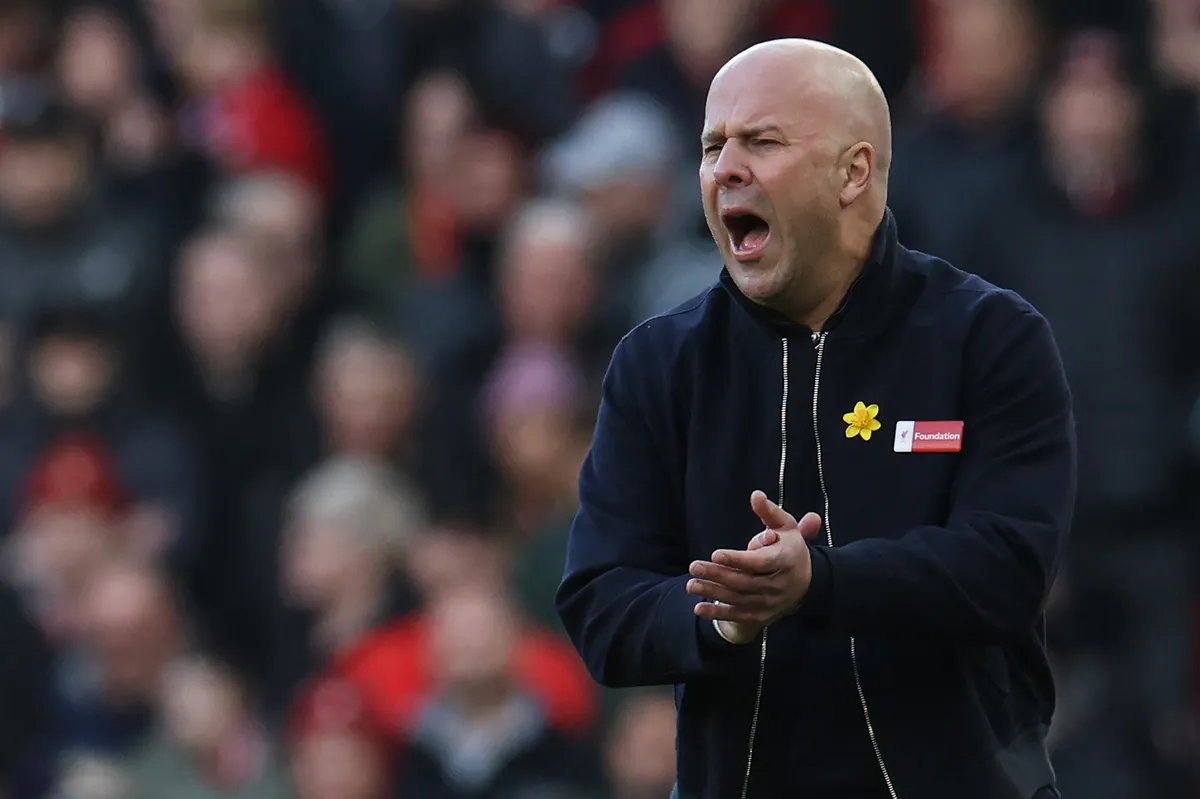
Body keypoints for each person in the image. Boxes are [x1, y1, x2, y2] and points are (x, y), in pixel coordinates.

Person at [556, 38, 1076, 799]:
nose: (725, 167)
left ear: (853, 171)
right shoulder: (658, 363)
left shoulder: (988, 337)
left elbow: (1007, 567)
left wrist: (821, 582)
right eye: (711, 146)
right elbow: (601, 602)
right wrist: (722, 616)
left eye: (761, 141)